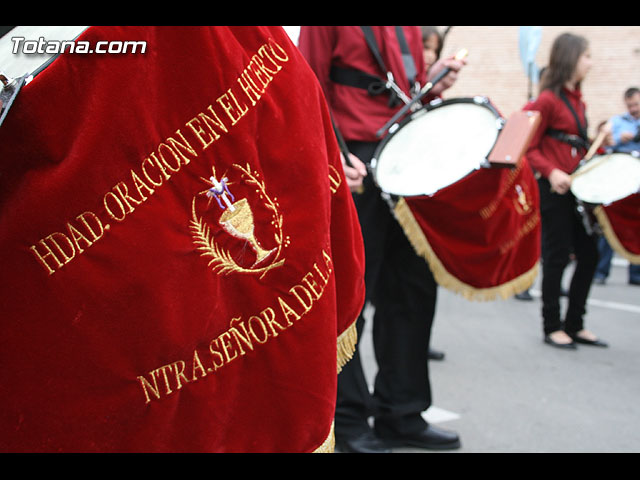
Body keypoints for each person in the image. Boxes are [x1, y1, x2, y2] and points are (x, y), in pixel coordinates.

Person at [299, 26, 465, 453]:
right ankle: (348, 419)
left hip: (406, 157)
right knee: (353, 297)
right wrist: (330, 150)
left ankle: (402, 412)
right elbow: (307, 82)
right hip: (355, 156)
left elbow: (406, 93)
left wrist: (435, 81)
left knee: (412, 291)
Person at [524, 32, 609, 350]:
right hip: (553, 190)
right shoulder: (547, 100)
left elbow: (573, 146)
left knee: (588, 255)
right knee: (557, 257)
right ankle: (552, 325)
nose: (590, 62)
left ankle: (576, 323)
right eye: (586, 56)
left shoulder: (578, 101)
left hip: (577, 191)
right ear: (571, 58)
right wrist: (552, 171)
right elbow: (529, 147)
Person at [593, 87, 640, 286]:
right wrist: (620, 139)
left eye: (636, 104)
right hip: (620, 181)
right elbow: (603, 145)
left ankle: (636, 274)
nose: (633, 109)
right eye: (630, 105)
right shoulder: (617, 123)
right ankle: (601, 271)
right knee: (611, 225)